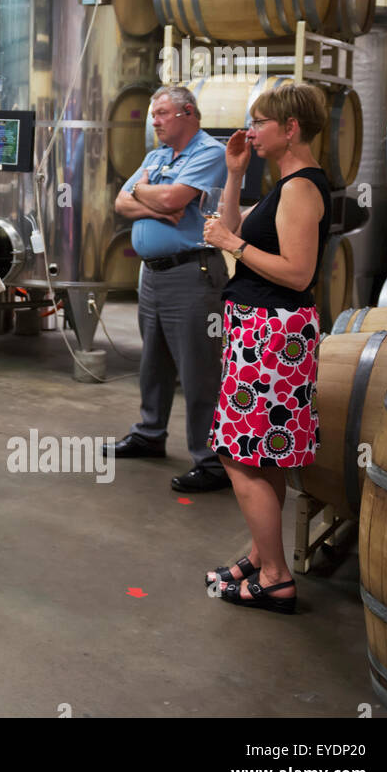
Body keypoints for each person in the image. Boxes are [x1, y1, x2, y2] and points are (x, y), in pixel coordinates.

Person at [202, 83, 330, 613]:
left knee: (237, 455)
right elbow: (234, 229)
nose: (249, 131)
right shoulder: (286, 182)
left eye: (258, 122)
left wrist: (234, 246)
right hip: (262, 328)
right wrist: (234, 175)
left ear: (290, 128)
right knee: (264, 452)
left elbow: (297, 273)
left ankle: (275, 577)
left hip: (271, 332)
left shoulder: (301, 188)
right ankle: (261, 556)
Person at [108, 85, 230, 492]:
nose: (155, 121)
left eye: (161, 113)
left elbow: (177, 198)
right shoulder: (157, 155)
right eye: (153, 114)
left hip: (192, 273)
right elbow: (120, 202)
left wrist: (143, 191)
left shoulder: (209, 152)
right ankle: (149, 433)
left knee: (199, 369)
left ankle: (211, 459)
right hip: (153, 274)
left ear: (188, 113)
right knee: (153, 362)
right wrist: (151, 200)